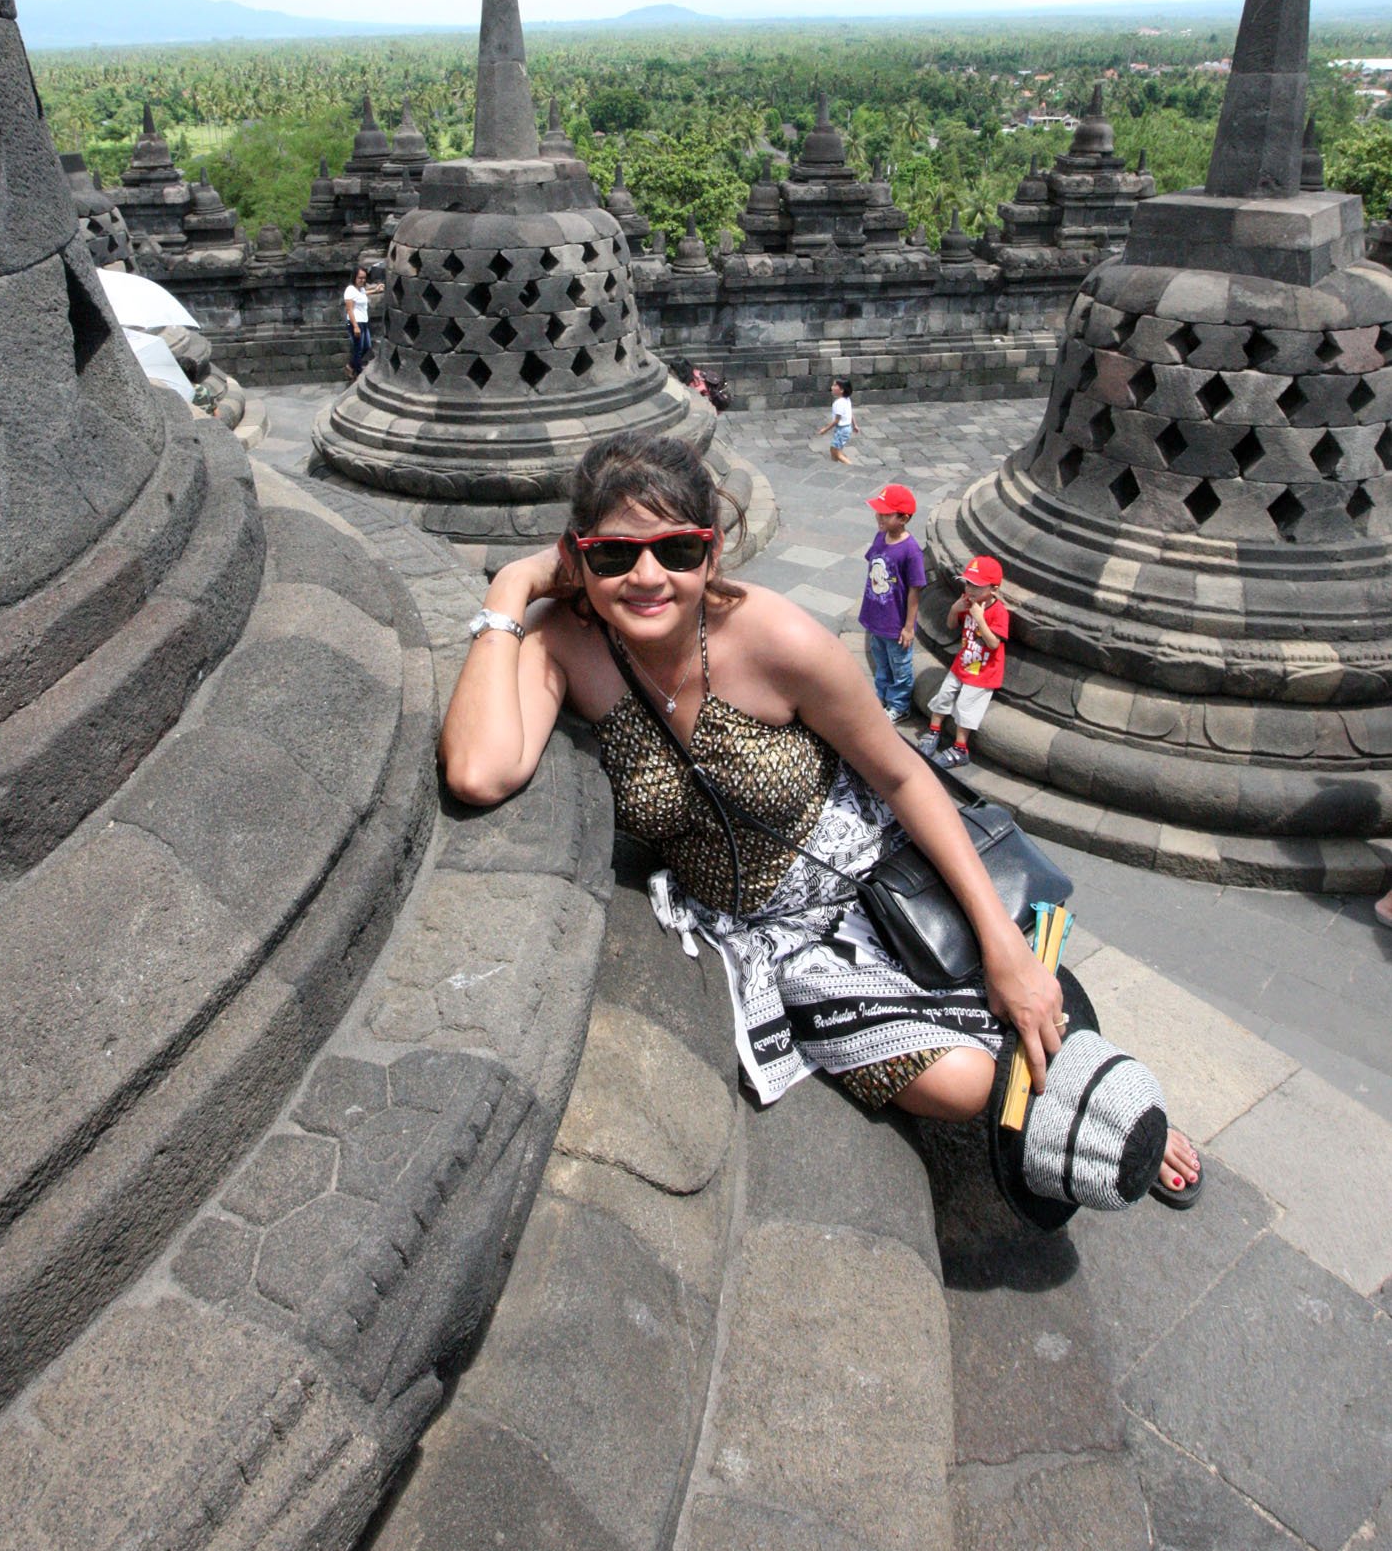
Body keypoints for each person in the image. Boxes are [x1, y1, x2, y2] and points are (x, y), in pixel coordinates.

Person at [440, 430, 1200, 1203]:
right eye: (612, 555)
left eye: (677, 550)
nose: (646, 576)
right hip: (779, 936)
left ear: (712, 552)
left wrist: (1003, 946)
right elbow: (477, 769)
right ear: (576, 556)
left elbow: (901, 773)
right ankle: (1066, 1092)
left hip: (878, 869)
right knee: (964, 1082)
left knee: (1013, 981)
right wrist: (513, 586)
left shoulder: (775, 638)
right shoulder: (566, 642)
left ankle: (1098, 1091)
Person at [917, 555, 1007, 770]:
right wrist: (955, 609)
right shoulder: (967, 602)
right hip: (963, 663)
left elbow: (994, 643)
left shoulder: (998, 611)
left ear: (993, 589)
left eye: (977, 585)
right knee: (944, 694)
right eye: (968, 583)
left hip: (984, 672)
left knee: (966, 707)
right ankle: (934, 731)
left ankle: (960, 749)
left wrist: (980, 618)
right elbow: (951, 626)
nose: (970, 589)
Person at [860, 483, 926, 724]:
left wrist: (908, 627)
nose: (879, 517)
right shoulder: (880, 537)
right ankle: (882, 697)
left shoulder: (911, 551)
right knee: (881, 662)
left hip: (896, 625)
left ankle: (899, 705)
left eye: (886, 514)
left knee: (900, 667)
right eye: (878, 512)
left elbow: (915, 591)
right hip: (876, 618)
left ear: (903, 519)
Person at [816, 377, 853, 463]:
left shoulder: (839, 403)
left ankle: (852, 467)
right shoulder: (847, 399)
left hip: (842, 430)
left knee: (836, 452)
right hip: (846, 428)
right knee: (834, 450)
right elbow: (851, 414)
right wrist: (855, 425)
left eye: (835, 385)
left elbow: (836, 420)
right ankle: (834, 466)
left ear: (842, 390)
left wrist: (825, 429)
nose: (832, 387)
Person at [344, 266, 372, 381]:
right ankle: (358, 372)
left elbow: (363, 295)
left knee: (367, 346)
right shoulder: (350, 290)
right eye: (360, 278)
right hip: (355, 322)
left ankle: (351, 366)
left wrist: (376, 290)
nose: (362, 280)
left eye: (364, 278)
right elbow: (349, 310)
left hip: (363, 321)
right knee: (358, 348)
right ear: (354, 277)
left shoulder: (361, 289)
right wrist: (355, 326)